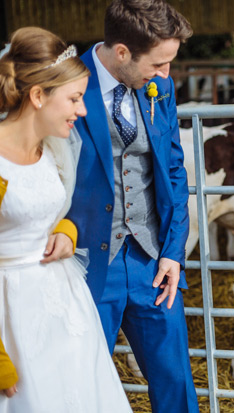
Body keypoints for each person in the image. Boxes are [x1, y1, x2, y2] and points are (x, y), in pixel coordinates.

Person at [65, 1, 198, 411]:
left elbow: (174, 169)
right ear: (122, 52)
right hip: (86, 263)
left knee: (175, 381)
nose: (165, 75)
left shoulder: (161, 88)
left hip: (152, 263)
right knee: (85, 385)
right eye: (158, 65)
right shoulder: (63, 84)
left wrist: (173, 253)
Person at [0, 26, 132, 412]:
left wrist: (65, 229)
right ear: (38, 96)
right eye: (75, 98)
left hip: (64, 306)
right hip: (12, 312)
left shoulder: (54, 147)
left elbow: (54, 209)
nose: (83, 110)